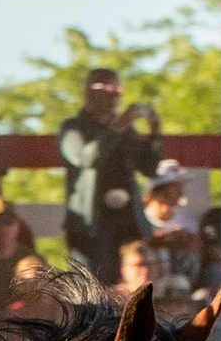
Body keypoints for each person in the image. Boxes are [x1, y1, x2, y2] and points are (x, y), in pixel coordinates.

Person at [57, 69, 161, 282]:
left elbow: (149, 168)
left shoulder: (126, 132)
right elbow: (84, 159)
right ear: (88, 93)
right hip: (92, 227)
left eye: (118, 89)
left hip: (128, 223)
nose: (114, 95)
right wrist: (118, 126)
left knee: (133, 286)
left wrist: (155, 133)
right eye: (106, 88)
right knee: (93, 291)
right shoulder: (72, 128)